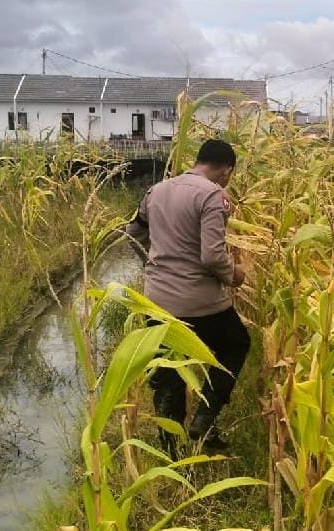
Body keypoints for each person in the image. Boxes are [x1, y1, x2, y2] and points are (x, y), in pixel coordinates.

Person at [125, 139, 250, 455]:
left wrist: (153, 266)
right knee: (235, 345)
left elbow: (133, 234)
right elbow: (212, 256)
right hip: (200, 304)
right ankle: (205, 418)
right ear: (227, 170)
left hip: (158, 302)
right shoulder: (213, 195)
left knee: (169, 371)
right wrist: (234, 275)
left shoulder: (156, 191)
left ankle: (169, 450)